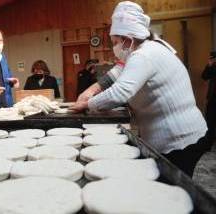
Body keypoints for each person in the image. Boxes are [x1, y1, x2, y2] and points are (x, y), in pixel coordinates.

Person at [71, 1, 208, 177]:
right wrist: (91, 90)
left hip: (178, 137)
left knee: (173, 192)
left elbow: (120, 92)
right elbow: (117, 72)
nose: (114, 48)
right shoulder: (149, 47)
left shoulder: (143, 55)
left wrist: (88, 104)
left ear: (128, 40)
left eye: (115, 42)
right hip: (181, 133)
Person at [202, 51, 216, 150]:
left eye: (212, 58)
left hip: (213, 98)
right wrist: (209, 65)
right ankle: (208, 144)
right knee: (210, 121)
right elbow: (204, 76)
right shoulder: (212, 66)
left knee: (211, 121)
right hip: (212, 98)